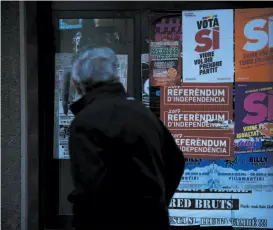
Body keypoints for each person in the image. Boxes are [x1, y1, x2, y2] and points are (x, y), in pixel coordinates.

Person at [67, 46, 185, 230]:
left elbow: (90, 188)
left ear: (78, 82)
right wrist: (156, 201)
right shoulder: (143, 113)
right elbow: (175, 161)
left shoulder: (86, 121)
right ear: (117, 77)